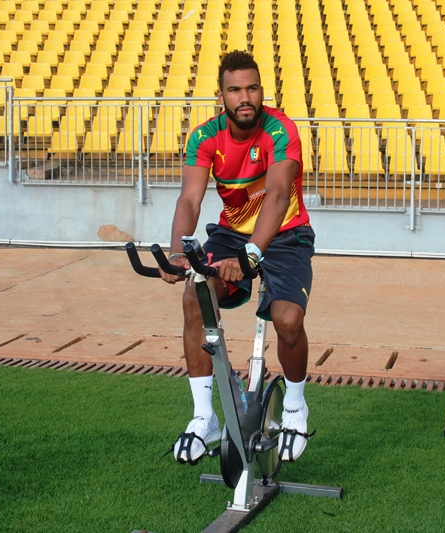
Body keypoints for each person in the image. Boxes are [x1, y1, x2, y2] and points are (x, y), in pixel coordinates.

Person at [158, 50, 316, 465]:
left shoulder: (280, 129)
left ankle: (295, 406)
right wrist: (177, 252)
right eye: (235, 90)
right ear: (221, 96)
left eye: (252, 88)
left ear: (261, 91)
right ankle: (205, 416)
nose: (245, 98)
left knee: (288, 320)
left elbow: (278, 195)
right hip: (232, 234)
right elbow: (190, 198)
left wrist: (251, 255)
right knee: (196, 296)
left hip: (286, 233)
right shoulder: (205, 137)